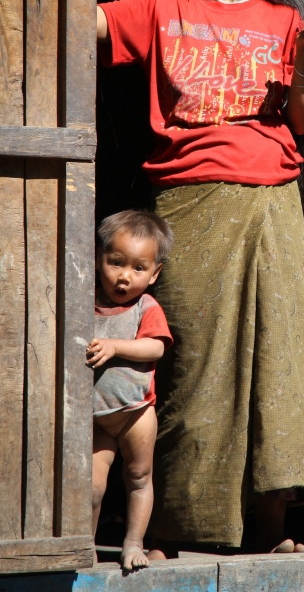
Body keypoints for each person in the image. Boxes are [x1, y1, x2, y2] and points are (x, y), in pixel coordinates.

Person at [96, 0, 304, 556]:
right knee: (191, 363)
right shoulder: (163, 7)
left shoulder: (290, 22)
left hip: (271, 207)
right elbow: (75, 21)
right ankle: (172, 527)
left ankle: (273, 528)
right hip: (189, 203)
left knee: (277, 361)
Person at [88, 210, 174, 570]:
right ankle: (84, 543)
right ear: (98, 258)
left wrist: (115, 346)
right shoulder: (82, 300)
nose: (124, 276)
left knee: (139, 478)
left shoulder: (145, 307)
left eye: (138, 268)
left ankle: (134, 543)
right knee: (90, 486)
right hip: (94, 417)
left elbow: (155, 347)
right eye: (116, 262)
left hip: (136, 413)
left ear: (154, 274)